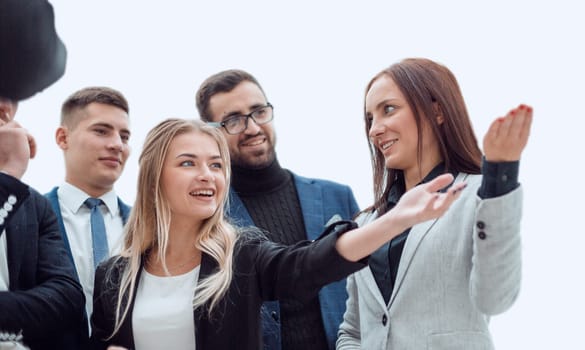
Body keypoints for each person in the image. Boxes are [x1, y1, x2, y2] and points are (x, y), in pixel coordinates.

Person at [89, 118, 466, 350]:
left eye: (216, 165)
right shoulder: (114, 276)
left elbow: (308, 264)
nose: (208, 175)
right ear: (154, 176)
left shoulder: (242, 255)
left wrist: (394, 220)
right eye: (188, 163)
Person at [336, 58, 533, 349]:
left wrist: (500, 177)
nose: (374, 129)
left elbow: (496, 298)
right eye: (370, 118)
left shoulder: (480, 195)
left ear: (436, 111)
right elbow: (352, 331)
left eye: (388, 109)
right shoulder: (365, 223)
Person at [196, 69, 360, 350]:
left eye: (259, 111)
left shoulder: (337, 196)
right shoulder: (206, 217)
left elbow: (370, 290)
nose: (252, 128)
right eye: (233, 120)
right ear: (212, 134)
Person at [0, 1, 85, 349]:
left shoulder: (32, 204)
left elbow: (67, 299)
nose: (7, 106)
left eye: (11, 95)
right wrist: (7, 176)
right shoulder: (14, 185)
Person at [45, 87, 132, 342]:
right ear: (63, 138)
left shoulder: (149, 226)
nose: (117, 144)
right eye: (101, 131)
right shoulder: (26, 217)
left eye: (125, 136)